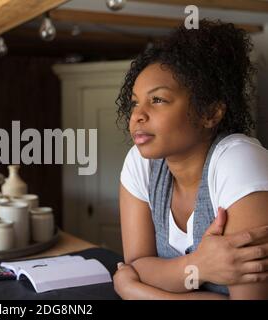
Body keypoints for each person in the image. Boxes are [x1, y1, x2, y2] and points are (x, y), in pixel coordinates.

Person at [114, 20, 268, 299]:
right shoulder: (141, 162)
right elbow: (137, 265)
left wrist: (136, 292)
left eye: (158, 100)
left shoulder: (238, 161)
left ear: (210, 113)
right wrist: (198, 265)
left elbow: (133, 278)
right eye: (135, 102)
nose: (137, 115)